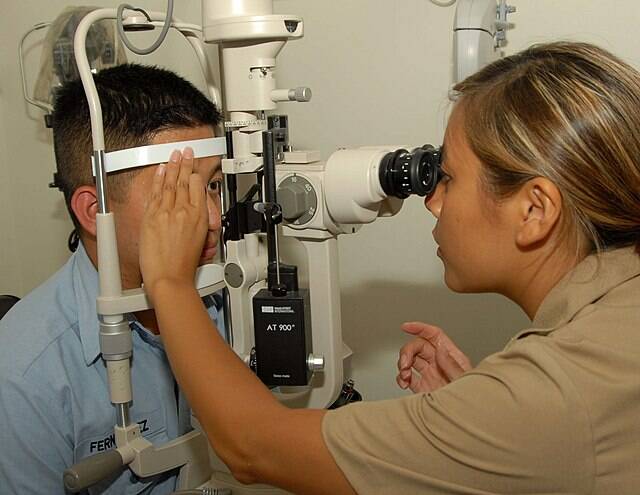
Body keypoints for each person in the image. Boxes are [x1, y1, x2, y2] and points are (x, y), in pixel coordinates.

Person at [138, 41, 640, 494]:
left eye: (447, 179)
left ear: (534, 211)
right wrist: (469, 426)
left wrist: (168, 281)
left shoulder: (550, 398)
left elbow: (252, 448)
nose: (433, 202)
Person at [0, 64, 224, 494]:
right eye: (177, 193)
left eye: (213, 186)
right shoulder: (25, 375)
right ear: (93, 212)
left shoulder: (229, 298)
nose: (211, 220)